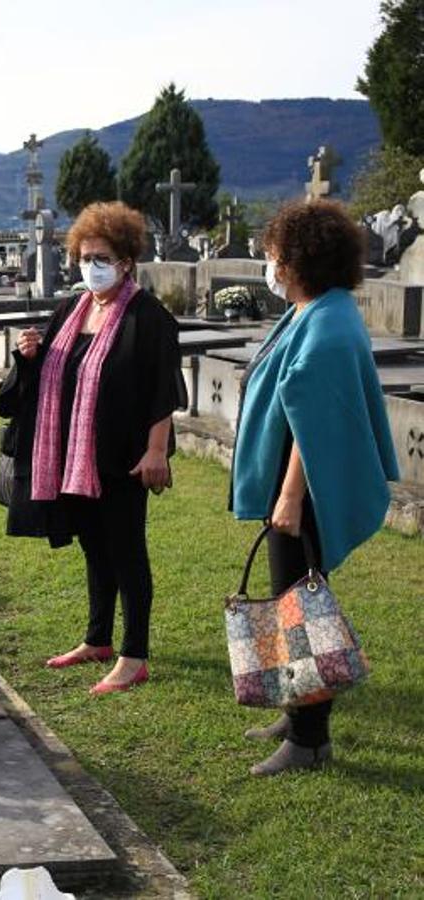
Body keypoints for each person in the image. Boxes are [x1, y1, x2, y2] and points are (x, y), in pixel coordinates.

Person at [231, 199, 398, 776]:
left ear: (300, 260)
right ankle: (292, 706)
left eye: (274, 256)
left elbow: (312, 418)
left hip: (302, 489)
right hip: (290, 485)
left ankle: (308, 741)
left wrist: (290, 496)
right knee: (290, 604)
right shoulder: (314, 309)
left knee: (300, 608)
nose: (269, 266)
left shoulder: (326, 322)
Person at [0, 202, 186, 695]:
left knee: (127, 552)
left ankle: (134, 655)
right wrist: (30, 355)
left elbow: (163, 391)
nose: (90, 265)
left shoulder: (149, 317)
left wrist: (157, 451)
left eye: (99, 257)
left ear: (125, 260)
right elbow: (57, 375)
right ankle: (97, 640)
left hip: (123, 458)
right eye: (83, 256)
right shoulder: (72, 309)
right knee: (95, 550)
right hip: (76, 460)